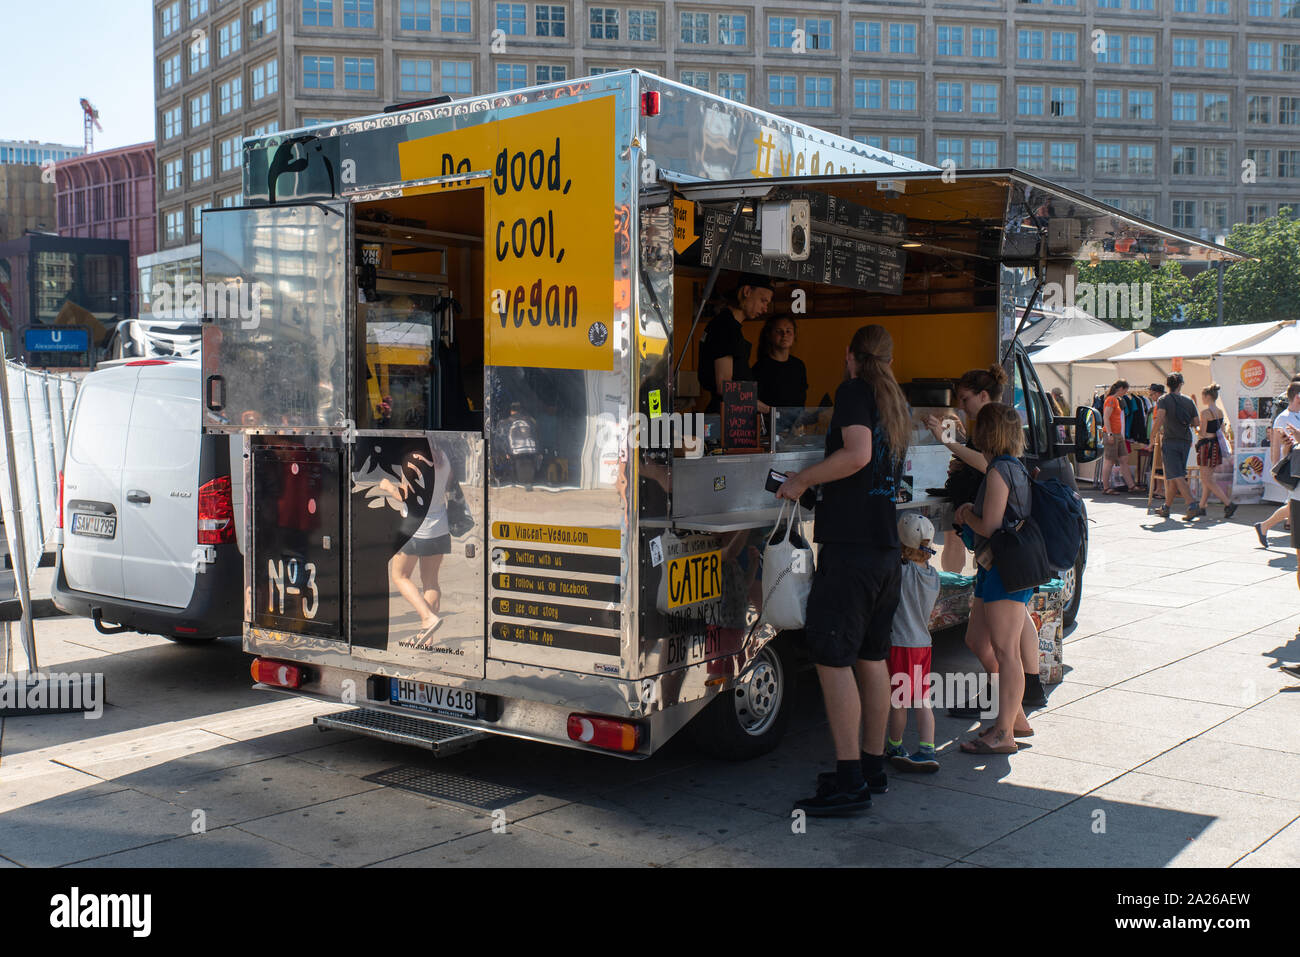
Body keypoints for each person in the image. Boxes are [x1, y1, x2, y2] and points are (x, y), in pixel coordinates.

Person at [776, 324, 909, 816]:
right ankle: (871, 768)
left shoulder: (856, 390)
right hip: (884, 551)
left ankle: (849, 779)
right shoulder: (893, 400)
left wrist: (802, 480)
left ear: (851, 355)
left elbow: (857, 455)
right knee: (871, 659)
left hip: (851, 552)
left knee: (833, 661)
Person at [954, 403, 1037, 755]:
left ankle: (1005, 733)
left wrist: (965, 515)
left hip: (1006, 567)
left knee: (1006, 652)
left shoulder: (1001, 471)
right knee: (978, 640)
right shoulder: (1005, 466)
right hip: (996, 567)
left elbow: (989, 525)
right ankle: (1014, 717)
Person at [929, 365, 1008, 575]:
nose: (962, 407)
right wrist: (963, 465)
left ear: (983, 396)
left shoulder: (997, 423)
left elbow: (989, 465)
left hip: (985, 516)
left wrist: (945, 439)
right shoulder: (986, 423)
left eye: (965, 399)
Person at [885, 513, 942, 773]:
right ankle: (927, 749)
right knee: (921, 699)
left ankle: (895, 746)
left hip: (900, 643)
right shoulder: (933, 577)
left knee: (898, 701)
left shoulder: (900, 572)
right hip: (923, 644)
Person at [378, 449, 452, 647]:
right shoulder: (443, 457)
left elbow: (406, 496)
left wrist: (388, 487)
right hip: (439, 527)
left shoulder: (412, 458)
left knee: (399, 576)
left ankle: (428, 617)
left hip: (414, 528)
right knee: (431, 582)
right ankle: (427, 637)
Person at [698, 273, 774, 414]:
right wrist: (763, 408)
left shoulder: (728, 325)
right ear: (747, 291)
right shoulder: (726, 326)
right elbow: (724, 386)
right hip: (725, 416)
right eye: (763, 301)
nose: (765, 309)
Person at [1256, 383, 1300, 546]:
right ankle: (1264, 526)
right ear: (1297, 397)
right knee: (1293, 504)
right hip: (1293, 468)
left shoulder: (1296, 415)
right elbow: (1277, 446)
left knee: (1292, 505)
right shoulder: (1283, 418)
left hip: (1297, 467)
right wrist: (1275, 470)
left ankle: (1264, 526)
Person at [1152, 372, 1199, 520]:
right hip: (1185, 440)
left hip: (1170, 440)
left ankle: (1191, 503)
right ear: (1180, 384)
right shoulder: (1188, 401)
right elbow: (1196, 423)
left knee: (1176, 474)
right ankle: (1166, 507)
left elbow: (1159, 419)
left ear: (1168, 385)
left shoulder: (1163, 399)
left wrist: (1152, 435)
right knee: (1174, 475)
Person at [1190, 383, 1237, 519]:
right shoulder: (1220, 412)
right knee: (1208, 479)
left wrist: (1196, 427)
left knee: (1207, 480)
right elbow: (1221, 430)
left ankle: (1228, 504)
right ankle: (1202, 506)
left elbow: (1202, 433)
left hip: (1206, 447)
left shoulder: (1205, 413)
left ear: (1207, 396)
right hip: (1216, 446)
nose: (1202, 398)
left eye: (1203, 396)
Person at [751, 315, 808, 409]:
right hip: (770, 421)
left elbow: (800, 403)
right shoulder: (760, 368)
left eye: (788, 331)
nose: (784, 335)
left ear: (794, 335)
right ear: (769, 335)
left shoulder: (799, 366)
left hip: (795, 422)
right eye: (779, 331)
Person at [1101, 380, 1137, 494]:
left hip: (1117, 434)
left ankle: (1131, 485)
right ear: (1121, 388)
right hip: (1111, 433)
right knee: (1109, 460)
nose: (1126, 393)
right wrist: (1110, 434)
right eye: (1125, 390)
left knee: (1123, 459)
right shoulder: (1111, 400)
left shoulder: (1116, 400)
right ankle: (1106, 487)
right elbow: (1106, 417)